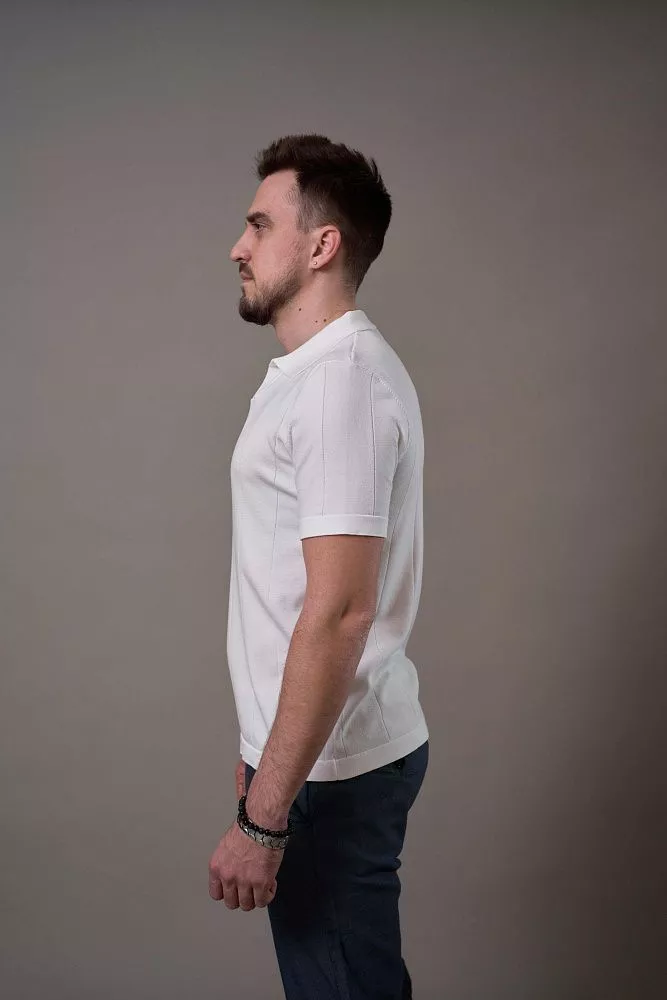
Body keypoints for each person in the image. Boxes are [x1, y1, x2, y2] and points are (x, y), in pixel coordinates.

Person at [208, 133, 430, 1000]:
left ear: (321, 244)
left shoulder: (341, 385)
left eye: (260, 225)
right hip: (309, 757)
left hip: (331, 773)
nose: (238, 246)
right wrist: (260, 753)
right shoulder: (314, 376)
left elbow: (339, 613)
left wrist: (264, 820)